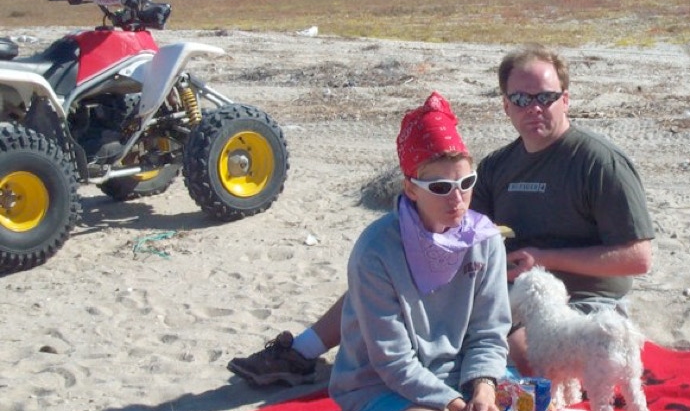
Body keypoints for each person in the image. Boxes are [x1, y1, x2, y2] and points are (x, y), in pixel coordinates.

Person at [227, 43, 655, 383]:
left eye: (545, 97)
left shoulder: (598, 163)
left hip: (578, 304)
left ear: (566, 99)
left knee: (524, 357)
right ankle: (301, 352)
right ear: (506, 105)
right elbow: (455, 226)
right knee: (392, 267)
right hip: (505, 288)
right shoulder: (499, 166)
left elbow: (638, 259)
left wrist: (544, 258)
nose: (534, 108)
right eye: (521, 98)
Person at [326, 91, 645, 411]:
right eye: (440, 187)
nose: (457, 198)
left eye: (467, 182)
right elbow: (392, 362)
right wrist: (458, 406)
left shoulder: (484, 239)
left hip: (467, 374)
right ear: (410, 189)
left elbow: (489, 331)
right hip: (382, 389)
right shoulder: (376, 251)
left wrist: (483, 386)